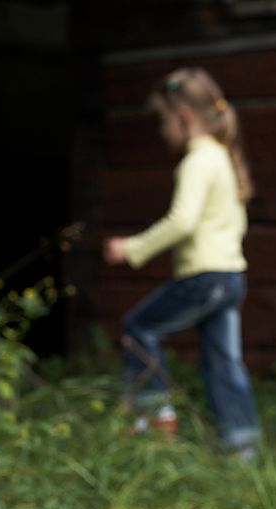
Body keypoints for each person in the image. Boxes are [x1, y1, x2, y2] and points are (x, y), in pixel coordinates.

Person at [103, 67, 261, 459]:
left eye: (162, 121)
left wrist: (132, 248)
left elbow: (183, 220)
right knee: (224, 361)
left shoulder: (196, 160)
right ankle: (241, 446)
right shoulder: (222, 156)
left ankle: (154, 421)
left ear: (184, 117)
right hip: (230, 276)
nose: (161, 131)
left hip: (205, 276)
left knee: (139, 327)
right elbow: (235, 221)